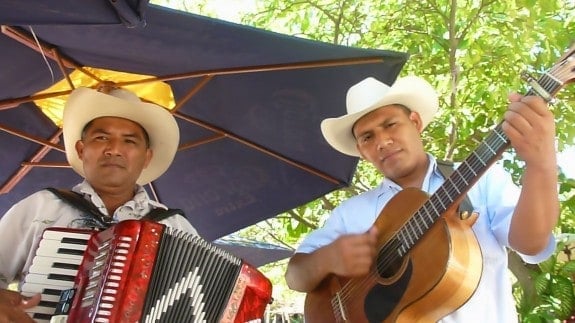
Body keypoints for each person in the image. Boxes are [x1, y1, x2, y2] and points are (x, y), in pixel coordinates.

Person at [285, 76, 559, 322]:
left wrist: (541, 164)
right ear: (361, 151)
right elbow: (295, 276)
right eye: (368, 137)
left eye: (390, 124)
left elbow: (532, 245)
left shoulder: (483, 179)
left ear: (415, 122)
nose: (382, 141)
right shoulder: (350, 214)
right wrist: (327, 259)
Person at [0, 85, 198, 322]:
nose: (114, 149)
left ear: (146, 157)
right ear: (81, 149)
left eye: (129, 141)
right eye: (102, 137)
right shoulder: (41, 207)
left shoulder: (174, 226)